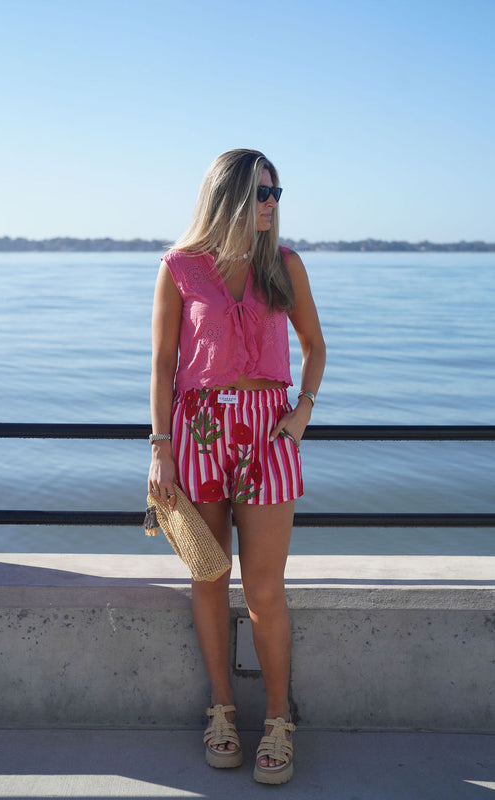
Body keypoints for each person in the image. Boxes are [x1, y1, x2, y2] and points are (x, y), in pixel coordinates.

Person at [148, 148, 326, 784]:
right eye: (261, 193)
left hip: (268, 433)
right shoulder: (180, 268)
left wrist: (302, 411)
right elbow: (163, 364)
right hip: (198, 431)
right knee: (208, 576)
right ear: (229, 197)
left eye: (277, 193)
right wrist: (161, 446)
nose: (272, 204)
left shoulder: (284, 265)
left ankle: (278, 719)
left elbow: (315, 346)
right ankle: (221, 712)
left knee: (264, 589)